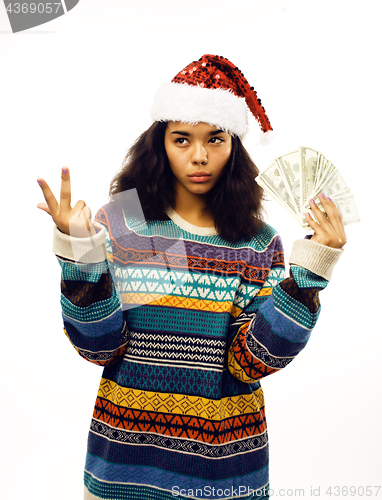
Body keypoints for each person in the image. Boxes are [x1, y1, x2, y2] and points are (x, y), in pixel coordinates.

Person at [37, 55, 346, 500]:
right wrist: (81, 252)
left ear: (233, 146)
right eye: (182, 139)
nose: (199, 155)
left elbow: (252, 361)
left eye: (215, 139)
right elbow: (99, 346)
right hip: (124, 471)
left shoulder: (258, 243)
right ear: (159, 143)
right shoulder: (121, 221)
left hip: (222, 474)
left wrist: (310, 274)